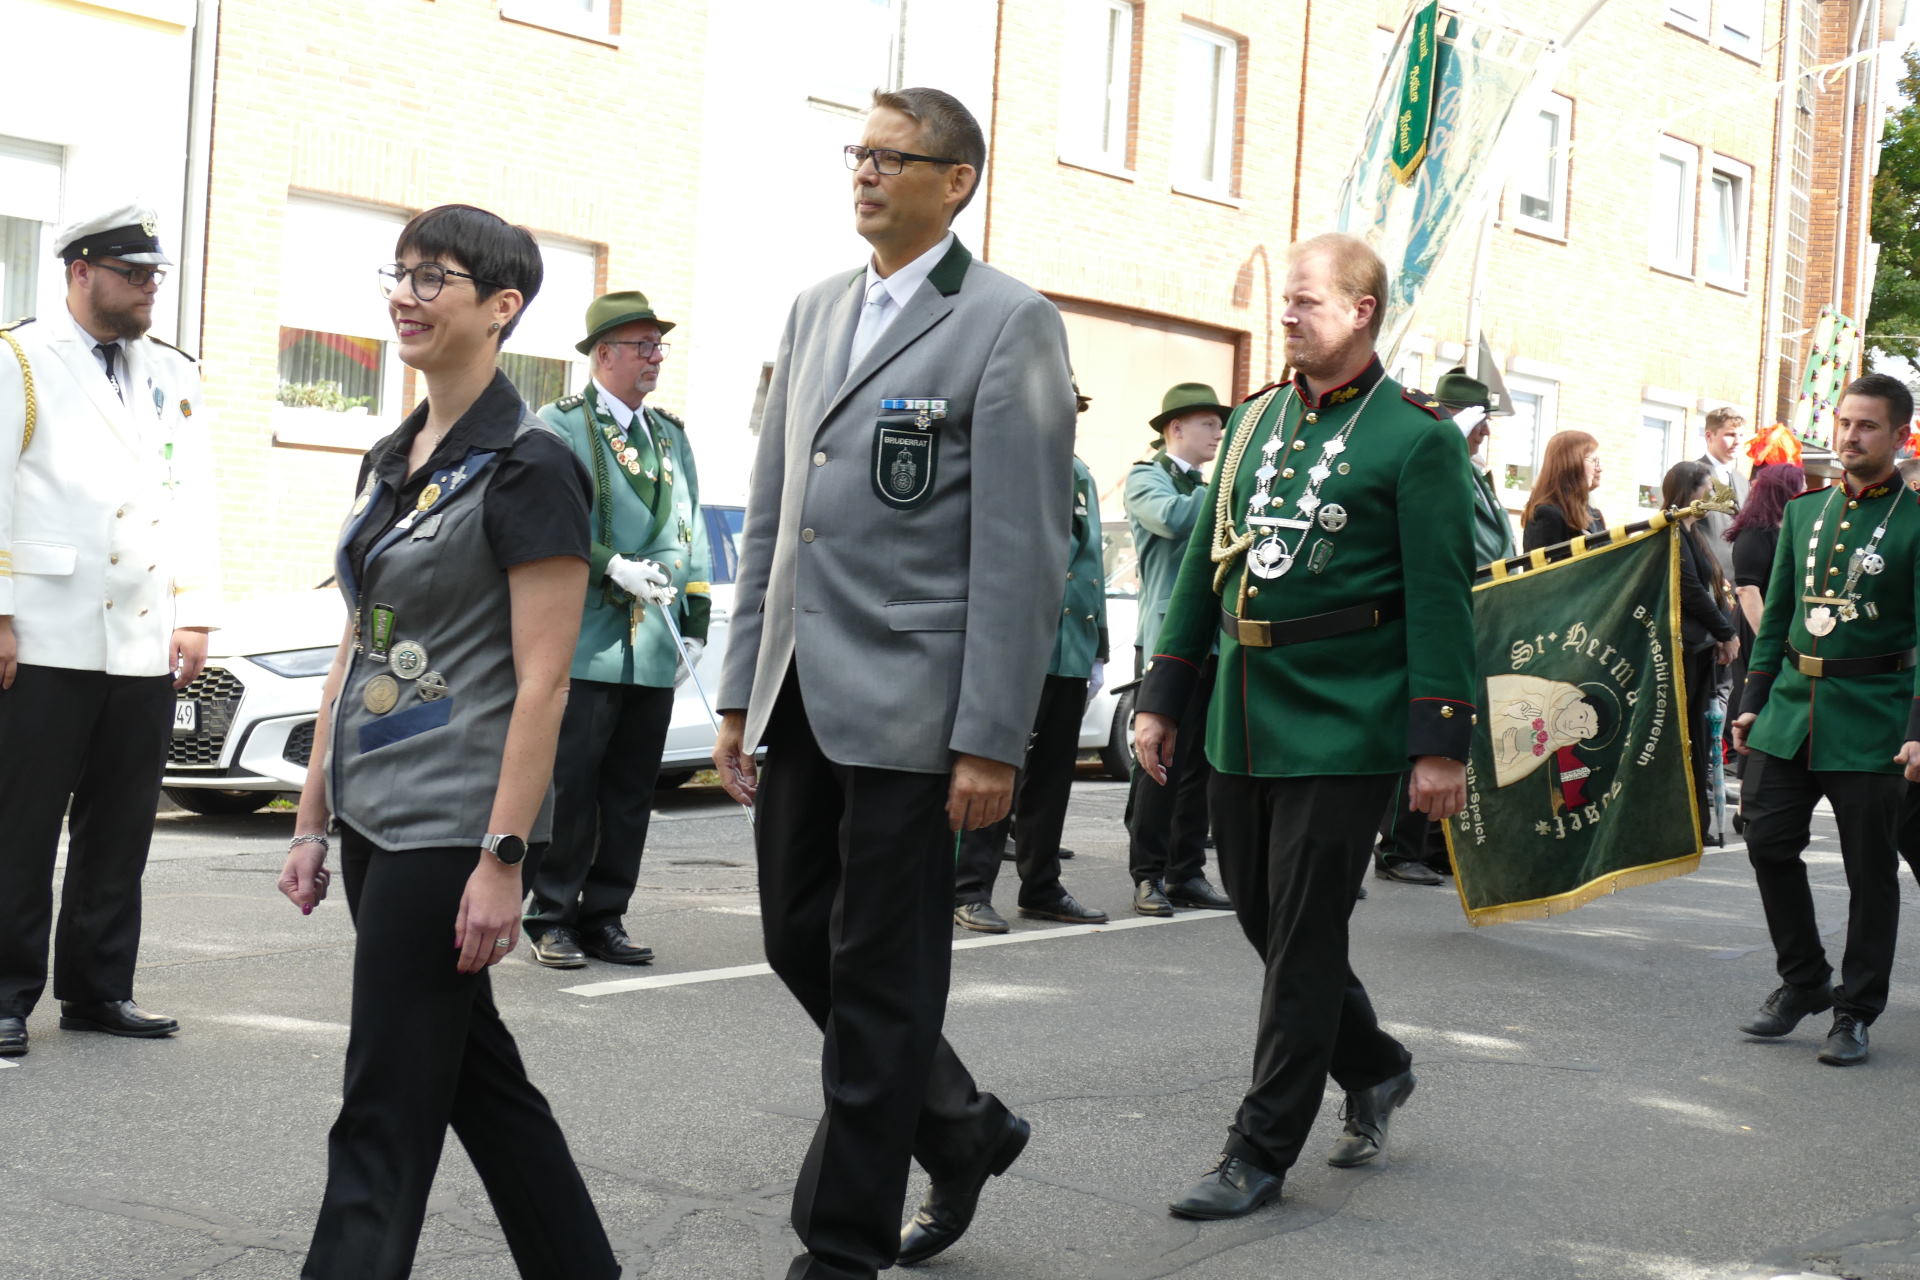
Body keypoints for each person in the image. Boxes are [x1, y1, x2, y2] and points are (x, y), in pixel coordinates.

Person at [710, 88, 1074, 1280]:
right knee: (794, 938)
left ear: (955, 180)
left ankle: (840, 1245)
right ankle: (960, 1124)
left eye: (892, 156)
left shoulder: (1008, 321)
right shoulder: (818, 307)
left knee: (882, 975)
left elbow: (1022, 550)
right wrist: (740, 690)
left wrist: (992, 736)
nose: (865, 172)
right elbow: (775, 514)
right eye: (858, 153)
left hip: (919, 708)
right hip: (804, 692)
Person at [275, 204, 617, 1276]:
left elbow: (544, 680)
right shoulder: (395, 452)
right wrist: (312, 816)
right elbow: (360, 639)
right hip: (376, 812)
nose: (405, 295)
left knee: (385, 1098)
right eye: (401, 272)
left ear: (502, 307)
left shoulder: (532, 463)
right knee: (477, 1078)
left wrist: (503, 857)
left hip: (454, 824)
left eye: (435, 278)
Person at [1134, 233, 1477, 1219]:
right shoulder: (1252, 421)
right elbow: (1206, 566)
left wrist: (1439, 742)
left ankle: (1257, 1150)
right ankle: (1373, 1063)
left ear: (1363, 311)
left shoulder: (1418, 437)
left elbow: (1442, 596)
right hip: (1245, 709)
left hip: (1348, 713)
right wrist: (1163, 694)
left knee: (1303, 930)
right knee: (1263, 916)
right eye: (1285, 300)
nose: (1286, 315)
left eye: (1307, 302)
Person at [0, 201, 221, 1059]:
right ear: (80, 271)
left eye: (154, 275)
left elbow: (191, 493)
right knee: (20, 824)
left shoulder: (170, 370)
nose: (148, 290)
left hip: (140, 632)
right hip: (45, 631)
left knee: (122, 825)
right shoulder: (19, 359)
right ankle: (5, 994)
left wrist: (195, 608)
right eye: (133, 275)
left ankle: (98, 988)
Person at [1732, 372, 1920, 1069]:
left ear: (1900, 437)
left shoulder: (1916, 518)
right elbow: (1778, 614)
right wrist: (1752, 700)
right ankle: (1805, 980)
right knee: (1767, 840)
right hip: (1790, 708)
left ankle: (1857, 1009)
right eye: (1845, 422)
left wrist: (1918, 727)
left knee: (1870, 872)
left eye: (1867, 426)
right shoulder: (1805, 512)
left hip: (1875, 717)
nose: (1850, 436)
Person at [521, 290, 710, 969]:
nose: (655, 357)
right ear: (604, 354)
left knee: (630, 793)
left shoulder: (671, 436)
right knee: (572, 787)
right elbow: (547, 518)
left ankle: (605, 915)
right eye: (642, 346)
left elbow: (692, 534)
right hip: (586, 638)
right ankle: (550, 914)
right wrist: (610, 564)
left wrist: (694, 621)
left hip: (651, 642)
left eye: (659, 346)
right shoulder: (561, 426)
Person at [953, 429, 1109, 933]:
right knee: (994, 765)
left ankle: (1041, 885)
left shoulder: (1080, 471)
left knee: (1051, 778)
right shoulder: (1009, 458)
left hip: (1070, 645)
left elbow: (1090, 565)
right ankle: (968, 888)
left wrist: (1098, 648)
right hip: (1018, 644)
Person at [1374, 367, 1510, 885]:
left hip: (1478, 611)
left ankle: (1431, 843)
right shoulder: (1437, 456)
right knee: (1426, 729)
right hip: (1436, 612)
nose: (1485, 433)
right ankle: (1398, 848)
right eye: (1479, 421)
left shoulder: (1475, 473)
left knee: (1454, 733)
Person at [1122, 383, 1234, 917]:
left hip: (1211, 638)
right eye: (1208, 423)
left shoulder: (1206, 488)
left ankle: (1186, 870)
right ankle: (1147, 874)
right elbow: (1171, 519)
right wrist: (1229, 488)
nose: (1218, 434)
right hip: (1167, 640)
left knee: (1198, 766)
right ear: (1176, 428)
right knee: (1159, 759)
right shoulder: (1147, 477)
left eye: (1219, 425)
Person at [1661, 460, 1739, 839]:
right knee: (1684, 738)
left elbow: (1714, 587)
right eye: (1706, 487)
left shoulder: (1693, 532)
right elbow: (1690, 590)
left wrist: (1723, 634)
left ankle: (1694, 824)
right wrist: (1726, 632)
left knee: (1699, 737)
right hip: (1682, 652)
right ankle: (1684, 825)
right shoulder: (1672, 531)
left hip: (1700, 648)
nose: (1712, 494)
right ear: (1689, 491)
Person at [1521, 430, 1606, 551]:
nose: (1599, 468)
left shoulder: (1595, 515)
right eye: (1593, 460)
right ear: (1571, 463)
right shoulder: (1547, 515)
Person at [1697, 406, 1750, 580]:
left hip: (1735, 580)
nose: (1737, 441)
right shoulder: (1690, 474)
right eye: (1730, 435)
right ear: (1709, 436)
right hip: (1702, 577)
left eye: (1741, 435)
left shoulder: (1743, 482)